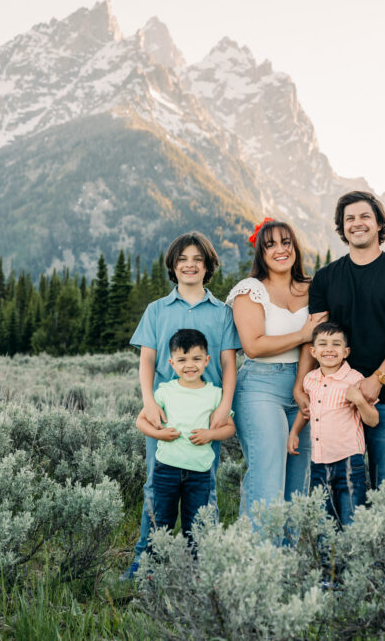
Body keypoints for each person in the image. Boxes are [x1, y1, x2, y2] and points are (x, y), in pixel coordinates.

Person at [122, 231, 240, 580]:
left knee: (207, 485)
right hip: (165, 412)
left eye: (197, 260)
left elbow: (229, 365)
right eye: (183, 259)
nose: (190, 265)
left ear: (208, 266)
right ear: (173, 266)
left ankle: (202, 562)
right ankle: (145, 561)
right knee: (155, 485)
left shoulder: (222, 313)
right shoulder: (157, 310)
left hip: (208, 412)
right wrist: (148, 402)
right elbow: (147, 361)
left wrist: (224, 407)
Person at [299, 191, 385, 489]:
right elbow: (313, 337)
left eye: (365, 216)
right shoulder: (326, 278)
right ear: (342, 227)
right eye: (350, 218)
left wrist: (377, 380)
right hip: (336, 401)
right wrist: (299, 384)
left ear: (380, 224)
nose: (357, 223)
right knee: (339, 484)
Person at [226, 219, 326, 521]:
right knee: (268, 480)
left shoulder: (313, 289)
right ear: (261, 252)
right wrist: (301, 335)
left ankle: (289, 564)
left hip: (305, 388)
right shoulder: (250, 290)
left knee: (300, 485)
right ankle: (258, 562)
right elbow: (253, 346)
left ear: (295, 246)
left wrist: (301, 385)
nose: (280, 250)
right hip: (260, 386)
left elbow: (317, 344)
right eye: (270, 245)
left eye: (286, 242)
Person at [136, 329, 236, 547]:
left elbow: (229, 427)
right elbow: (140, 421)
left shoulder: (214, 393)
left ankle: (194, 572)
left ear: (207, 360)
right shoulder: (165, 391)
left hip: (199, 473)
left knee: (197, 524)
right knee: (160, 522)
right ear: (172, 363)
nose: (189, 365)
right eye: (182, 359)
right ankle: (152, 569)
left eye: (196, 359)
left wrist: (211, 434)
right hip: (166, 469)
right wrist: (159, 434)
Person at [288, 322, 378, 525]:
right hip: (319, 462)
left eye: (336, 344)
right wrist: (294, 432)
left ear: (346, 352)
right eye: (323, 344)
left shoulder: (355, 379)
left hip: (348, 462)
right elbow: (307, 412)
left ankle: (354, 557)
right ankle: (327, 557)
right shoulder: (310, 379)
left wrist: (360, 400)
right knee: (324, 522)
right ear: (313, 351)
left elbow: (373, 420)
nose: (329, 349)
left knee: (352, 519)